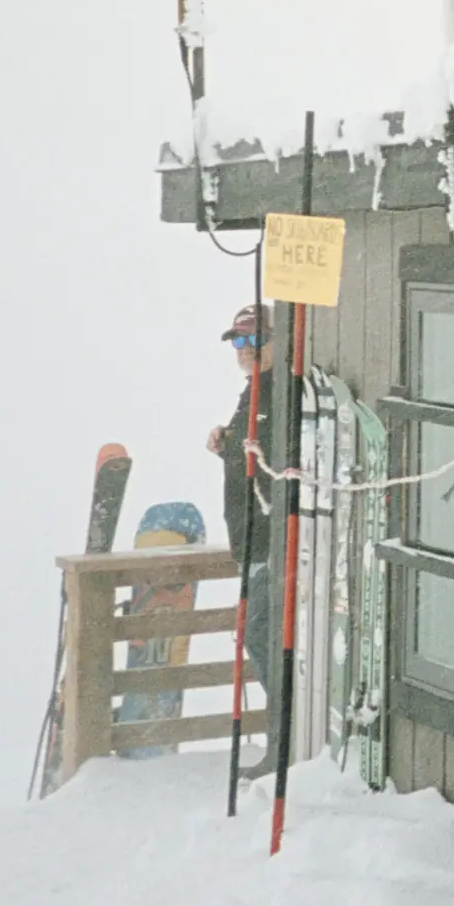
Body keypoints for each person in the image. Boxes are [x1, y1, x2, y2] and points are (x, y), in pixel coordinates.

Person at [207, 305, 281, 767]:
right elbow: (253, 460)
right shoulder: (254, 392)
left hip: (269, 539)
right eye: (238, 342)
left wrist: (236, 444)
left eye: (252, 341)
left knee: (262, 635)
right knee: (262, 636)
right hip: (252, 539)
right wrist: (227, 445)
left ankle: (282, 742)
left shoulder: (277, 392)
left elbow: (273, 464)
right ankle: (282, 739)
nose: (244, 351)